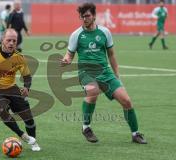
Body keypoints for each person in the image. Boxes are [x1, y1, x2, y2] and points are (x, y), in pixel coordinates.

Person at [60, 3, 147, 144]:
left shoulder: (105, 32)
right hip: (86, 72)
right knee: (93, 92)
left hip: (106, 73)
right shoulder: (76, 35)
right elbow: (69, 55)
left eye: (87, 15)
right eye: (82, 17)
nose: (84, 18)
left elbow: (111, 55)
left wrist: (116, 75)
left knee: (127, 101)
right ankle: (86, 127)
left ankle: (135, 134)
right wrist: (65, 60)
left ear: (94, 16)